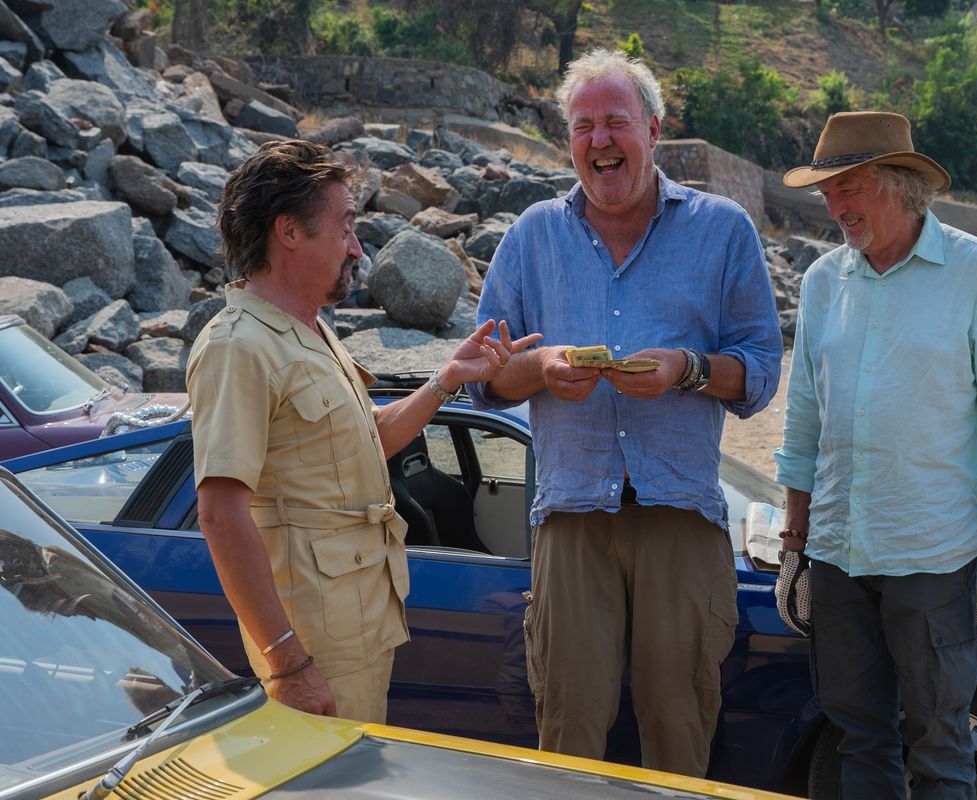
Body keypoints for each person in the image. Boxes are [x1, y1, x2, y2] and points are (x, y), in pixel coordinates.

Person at [467, 50, 782, 778]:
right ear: (568, 139)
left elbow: (760, 375)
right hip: (572, 516)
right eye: (583, 126)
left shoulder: (723, 229)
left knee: (680, 729)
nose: (600, 140)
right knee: (568, 728)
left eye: (616, 122)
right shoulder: (531, 236)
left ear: (654, 129)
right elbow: (486, 379)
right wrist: (540, 370)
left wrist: (689, 370)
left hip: (683, 516)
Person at [187, 140, 539, 723]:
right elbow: (221, 515)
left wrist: (447, 378)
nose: (356, 247)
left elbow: (367, 441)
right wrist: (287, 662)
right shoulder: (238, 347)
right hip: (312, 640)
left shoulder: (310, 333)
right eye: (345, 226)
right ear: (290, 233)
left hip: (358, 622)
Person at [773, 111, 977, 799]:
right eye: (827, 194)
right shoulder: (821, 283)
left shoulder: (975, 270)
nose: (836, 208)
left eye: (850, 188)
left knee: (940, 745)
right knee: (858, 739)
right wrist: (794, 545)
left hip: (933, 559)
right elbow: (804, 422)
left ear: (901, 186)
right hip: (838, 556)